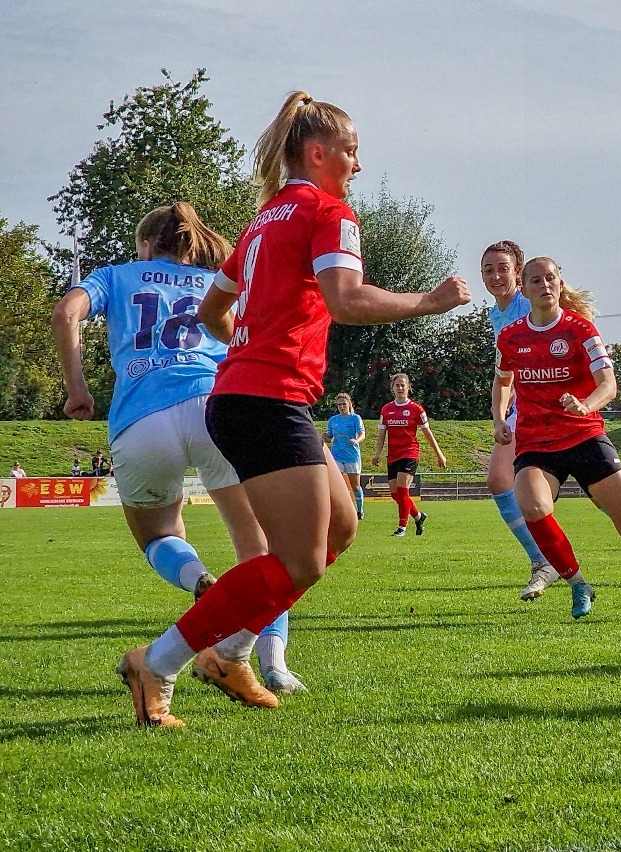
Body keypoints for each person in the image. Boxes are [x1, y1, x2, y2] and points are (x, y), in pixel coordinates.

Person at [113, 90, 469, 727]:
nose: (359, 165)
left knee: (340, 529)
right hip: (264, 401)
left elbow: (210, 314)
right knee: (300, 557)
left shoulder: (261, 222)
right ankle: (159, 662)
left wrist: (250, 345)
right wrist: (428, 302)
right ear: (319, 152)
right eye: (353, 152)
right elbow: (346, 300)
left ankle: (231, 652)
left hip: (254, 396)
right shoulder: (329, 213)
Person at [52, 202, 309, 696]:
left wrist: (77, 390)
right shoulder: (213, 280)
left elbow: (66, 314)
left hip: (142, 417)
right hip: (215, 407)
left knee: (158, 534)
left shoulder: (117, 275)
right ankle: (272, 663)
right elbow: (240, 336)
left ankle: (196, 580)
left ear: (146, 245)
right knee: (262, 550)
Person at [495, 256, 621, 620]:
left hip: (584, 436)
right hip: (537, 443)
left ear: (560, 284)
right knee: (532, 507)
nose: (544, 285)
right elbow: (503, 380)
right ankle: (579, 585)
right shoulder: (511, 335)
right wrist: (498, 417)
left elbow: (609, 385)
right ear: (525, 287)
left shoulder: (580, 330)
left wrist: (586, 404)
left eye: (550, 278)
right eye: (535, 280)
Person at [480, 240, 558, 600]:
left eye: (503, 269)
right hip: (520, 410)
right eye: (488, 270)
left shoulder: (529, 303)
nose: (496, 276)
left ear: (518, 273)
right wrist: (501, 410)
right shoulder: (498, 314)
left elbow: (566, 328)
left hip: (553, 408)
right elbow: (505, 367)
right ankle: (543, 560)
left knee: (604, 496)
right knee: (499, 480)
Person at [372, 373, 447, 537]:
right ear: (392, 388)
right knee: (394, 494)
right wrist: (377, 454)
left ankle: (402, 528)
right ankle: (418, 517)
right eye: (397, 385)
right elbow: (381, 435)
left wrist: (439, 454)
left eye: (402, 385)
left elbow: (428, 433)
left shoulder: (416, 409)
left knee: (402, 490)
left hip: (409, 453)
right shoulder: (386, 409)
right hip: (393, 455)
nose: (400, 388)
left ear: (408, 387)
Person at [325, 393, 366, 519]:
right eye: (339, 405)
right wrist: (323, 437)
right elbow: (330, 438)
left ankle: (360, 510)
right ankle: (339, 511)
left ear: (349, 404)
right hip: (337, 456)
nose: (342, 407)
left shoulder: (355, 418)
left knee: (355, 486)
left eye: (344, 404)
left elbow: (362, 434)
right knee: (336, 485)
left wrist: (356, 440)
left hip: (352, 456)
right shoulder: (333, 420)